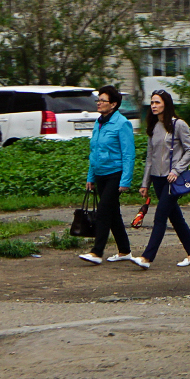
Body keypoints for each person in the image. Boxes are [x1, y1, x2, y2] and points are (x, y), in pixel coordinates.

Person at [132, 90, 190, 269]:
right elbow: (150, 157)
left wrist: (177, 170)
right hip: (157, 178)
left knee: (160, 217)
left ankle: (147, 257)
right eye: (152, 102)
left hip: (172, 180)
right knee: (176, 218)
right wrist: (145, 183)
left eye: (157, 102)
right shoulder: (154, 126)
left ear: (166, 104)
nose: (154, 106)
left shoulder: (179, 125)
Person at [79, 85, 136, 265]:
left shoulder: (122, 123)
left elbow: (128, 154)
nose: (99, 103)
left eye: (103, 100)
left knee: (104, 211)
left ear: (113, 104)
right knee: (113, 213)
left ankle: (97, 252)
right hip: (100, 173)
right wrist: (91, 177)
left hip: (115, 174)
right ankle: (125, 250)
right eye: (98, 100)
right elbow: (94, 151)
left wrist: (125, 180)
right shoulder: (99, 122)